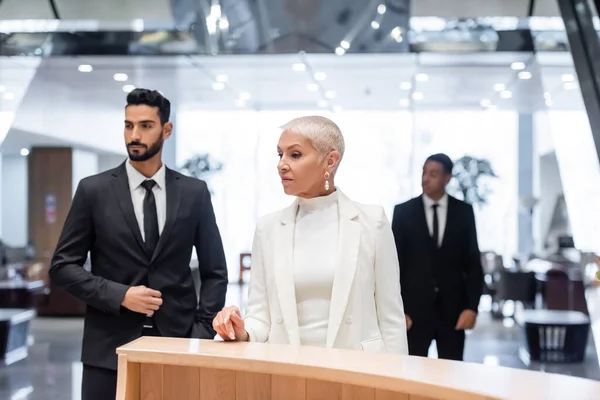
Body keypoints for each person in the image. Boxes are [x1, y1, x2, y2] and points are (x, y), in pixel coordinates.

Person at [49, 89, 228, 400]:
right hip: (107, 349)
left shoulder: (194, 192)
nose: (134, 135)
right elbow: (63, 266)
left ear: (166, 130)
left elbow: (215, 272)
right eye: (128, 125)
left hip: (178, 345)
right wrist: (120, 295)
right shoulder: (93, 191)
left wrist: (199, 333)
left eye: (145, 126)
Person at [212, 116, 408, 354]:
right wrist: (241, 330)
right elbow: (260, 318)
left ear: (330, 161)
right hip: (290, 372)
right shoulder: (268, 228)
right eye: (279, 154)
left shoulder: (371, 222)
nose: (281, 164)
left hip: (359, 372)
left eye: (295, 155)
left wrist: (397, 381)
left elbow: (391, 319)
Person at [391, 153, 484, 361]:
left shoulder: (464, 212)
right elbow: (393, 266)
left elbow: (472, 263)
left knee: (452, 378)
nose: (425, 178)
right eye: (424, 172)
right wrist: (396, 310)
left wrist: (472, 307)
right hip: (412, 314)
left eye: (433, 174)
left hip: (453, 314)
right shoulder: (403, 212)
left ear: (447, 178)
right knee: (410, 378)